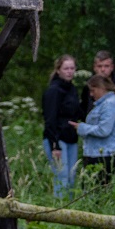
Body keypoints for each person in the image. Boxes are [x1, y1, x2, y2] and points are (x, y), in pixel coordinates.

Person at [40, 54, 83, 197]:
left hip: (71, 138)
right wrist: (54, 145)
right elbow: (50, 119)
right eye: (66, 68)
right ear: (58, 70)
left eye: (72, 68)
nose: (69, 71)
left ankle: (69, 211)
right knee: (62, 176)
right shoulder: (54, 90)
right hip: (57, 139)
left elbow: (78, 112)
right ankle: (59, 209)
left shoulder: (72, 89)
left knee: (71, 177)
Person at [74, 73, 115, 187]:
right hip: (97, 153)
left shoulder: (109, 104)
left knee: (97, 190)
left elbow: (104, 130)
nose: (91, 94)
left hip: (106, 155)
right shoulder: (104, 103)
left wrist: (81, 127)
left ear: (101, 88)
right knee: (91, 188)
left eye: (93, 90)